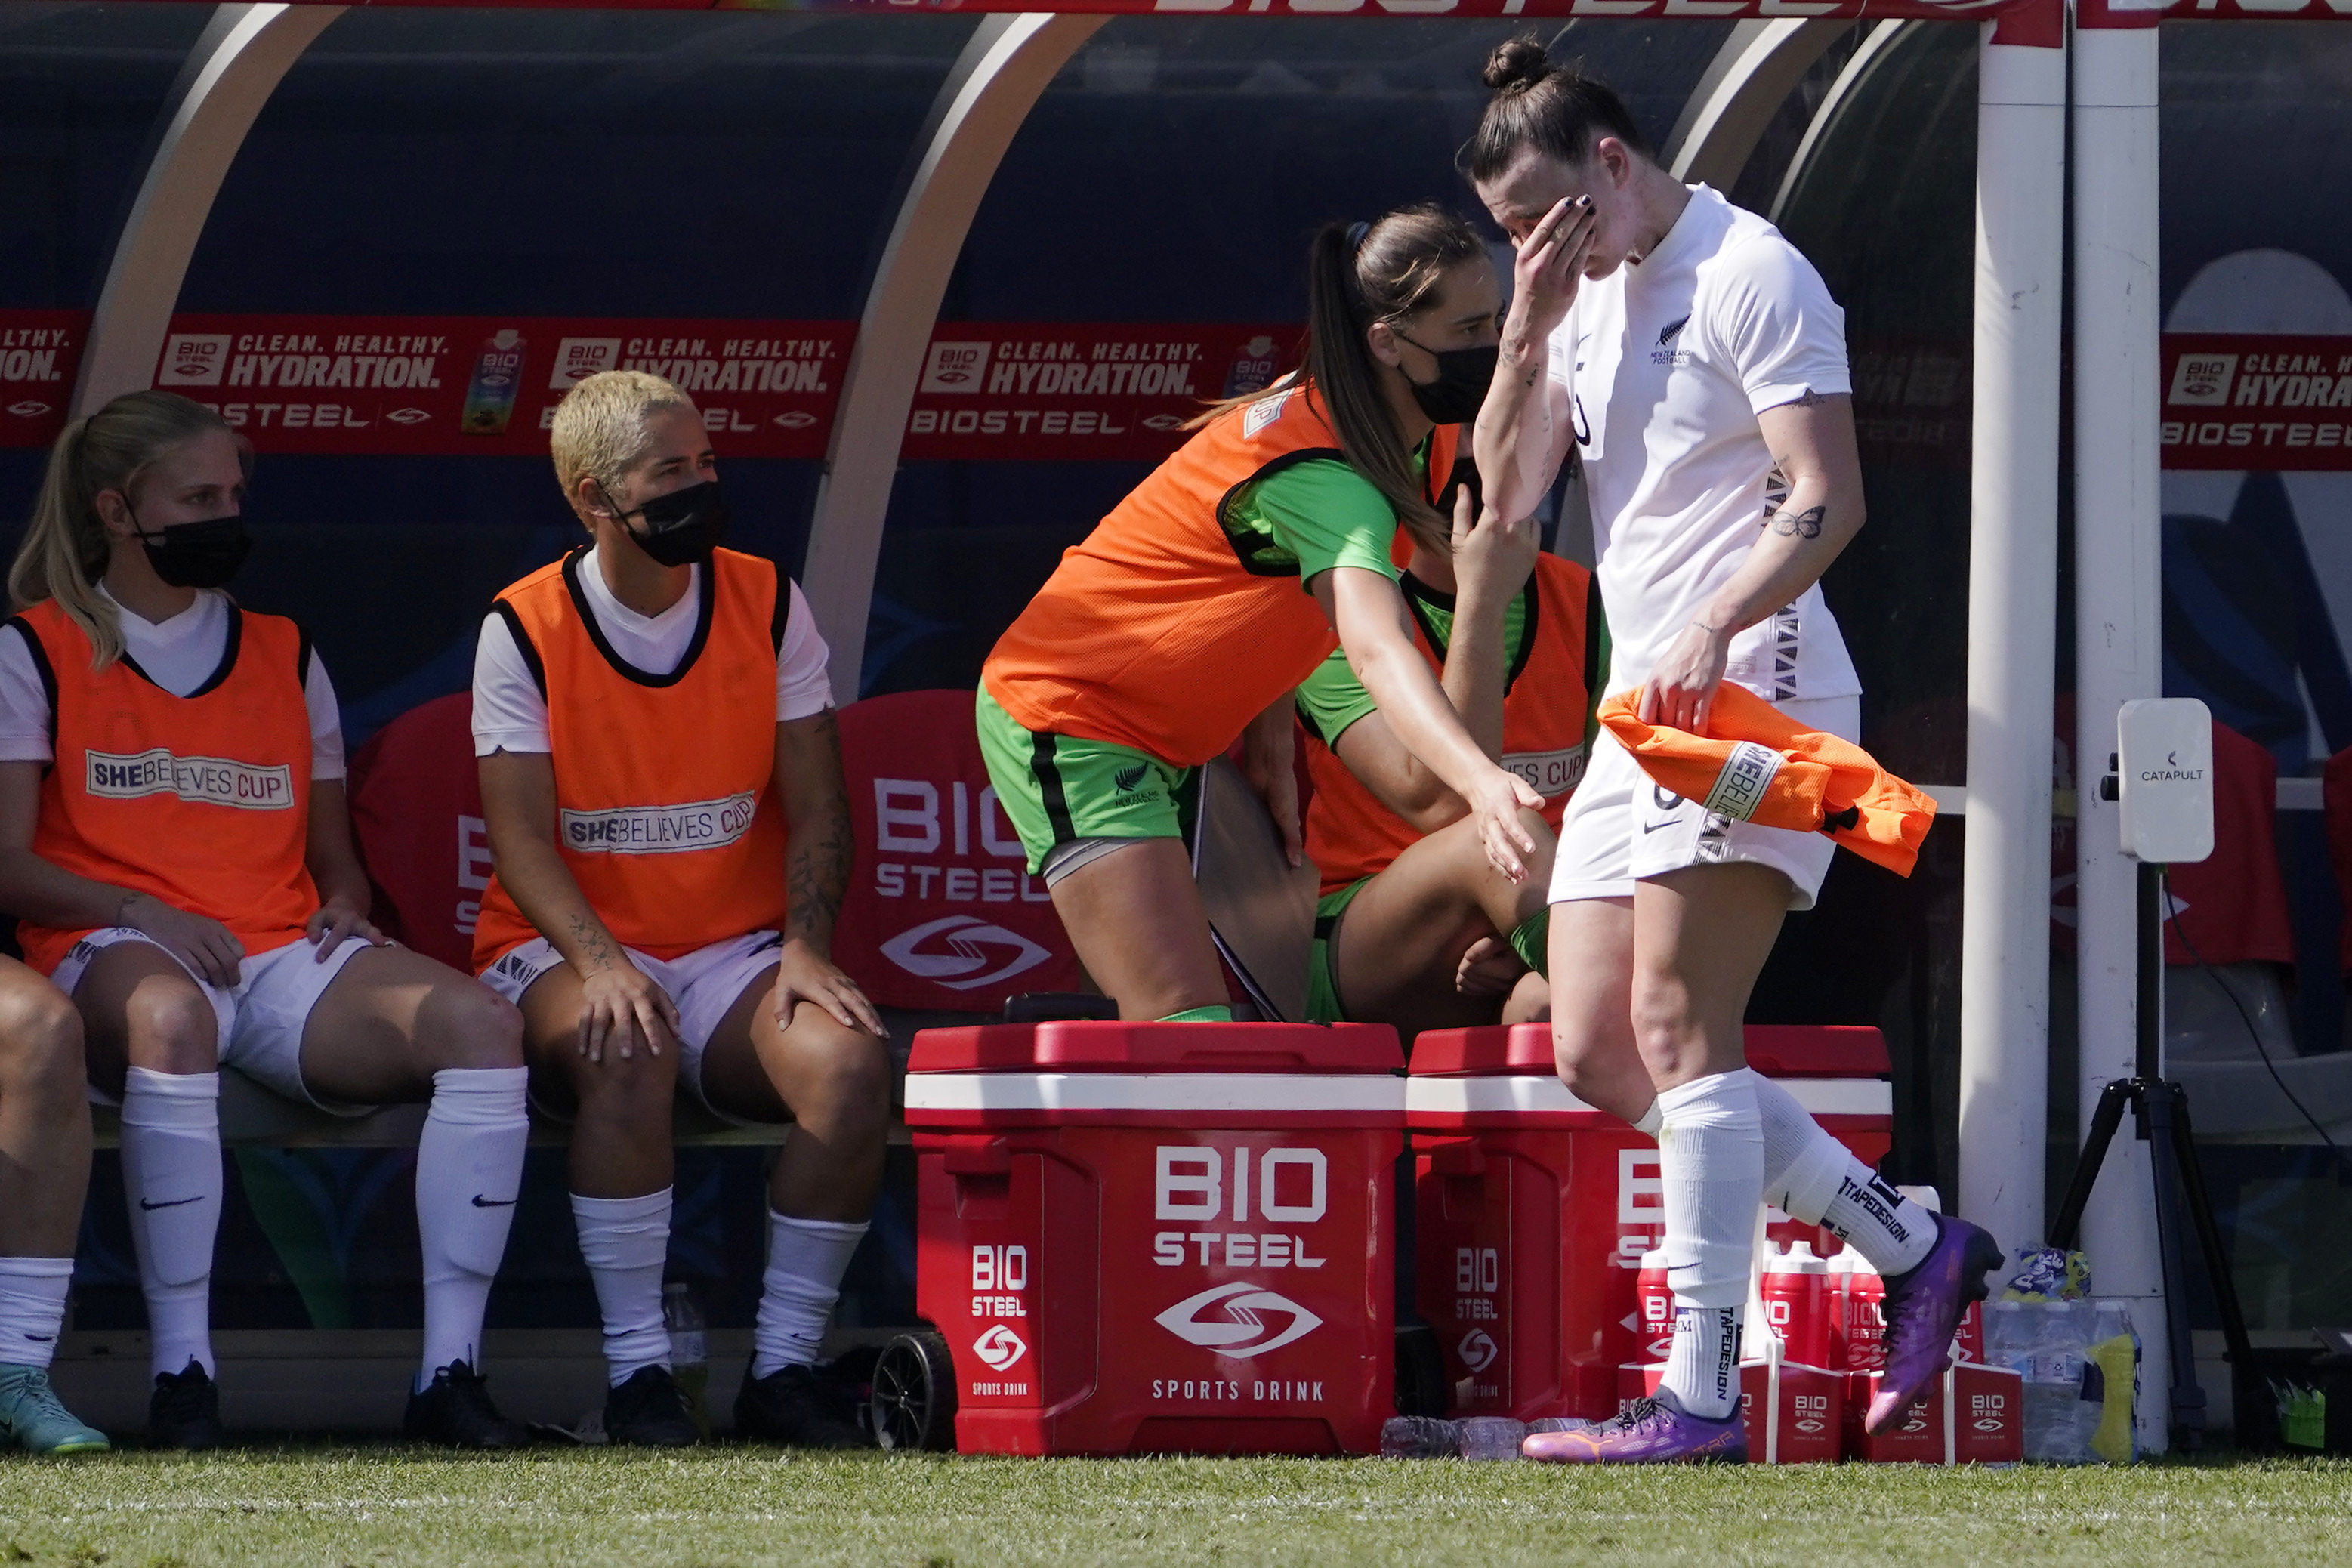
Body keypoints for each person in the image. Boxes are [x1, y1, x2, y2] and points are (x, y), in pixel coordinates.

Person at [1460, 42, 2001, 1462]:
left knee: (1679, 1031)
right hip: (1639, 709)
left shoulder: (1750, 270)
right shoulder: (1566, 302)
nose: (1531, 244)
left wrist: (1714, 615)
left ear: (1612, 167)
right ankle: (1911, 1246)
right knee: (1585, 1042)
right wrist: (1521, 327)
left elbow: (1825, 502)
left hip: (1753, 688)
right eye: (1508, 229)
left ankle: (1695, 1394)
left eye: (1541, 216)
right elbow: (1503, 506)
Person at [0, 391, 533, 1450]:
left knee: (482, 1028)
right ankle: (182, 1376)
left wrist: (343, 902)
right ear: (117, 509)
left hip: (280, 952)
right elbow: (10, 865)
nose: (224, 515)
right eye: (197, 496)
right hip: (116, 946)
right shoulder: (37, 647)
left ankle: (449, 1376)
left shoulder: (283, 649)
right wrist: (137, 908)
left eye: (233, 494)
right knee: (171, 1020)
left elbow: (331, 851)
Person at [979, 205, 1546, 1023]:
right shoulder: (1326, 477)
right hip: (1072, 714)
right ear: (1388, 342)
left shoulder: (1409, 423)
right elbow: (1377, 645)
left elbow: (1259, 579)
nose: (1489, 347)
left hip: (1208, 697)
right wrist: (1490, 779)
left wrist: (1271, 714)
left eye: (1493, 319)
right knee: (1188, 1033)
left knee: (1438, 797)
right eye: (1468, 330)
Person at [471, 370, 888, 1449]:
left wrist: (804, 947)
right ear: (592, 500)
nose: (702, 488)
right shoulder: (522, 625)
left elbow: (819, 804)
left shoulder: (766, 598)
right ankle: (639, 1375)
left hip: (728, 948)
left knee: (848, 1066)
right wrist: (605, 964)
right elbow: (519, 841)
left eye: (706, 465)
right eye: (670, 474)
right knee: (624, 1045)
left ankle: (784, 1369)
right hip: (564, 946)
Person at [1294, 495, 1604, 1037]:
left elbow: (1620, 810)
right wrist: (1481, 600)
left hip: (1538, 927)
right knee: (1507, 830)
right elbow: (1450, 805)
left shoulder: (1586, 598)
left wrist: (1529, 948)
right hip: (1368, 947)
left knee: (1551, 1007)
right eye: (1448, 426)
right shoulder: (1343, 600)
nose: (1472, 451)